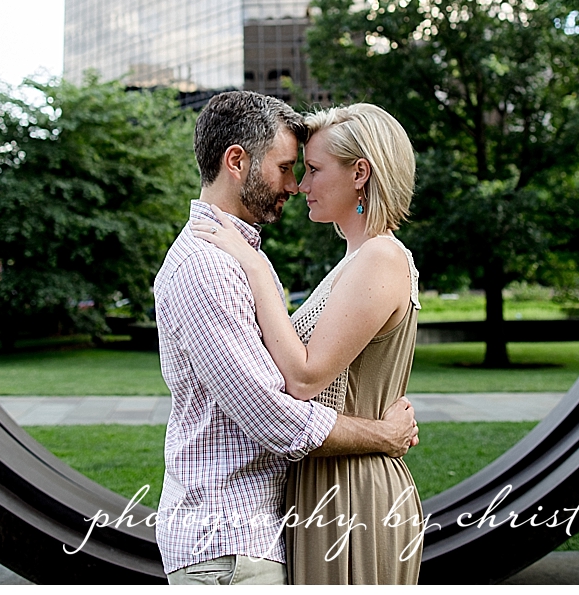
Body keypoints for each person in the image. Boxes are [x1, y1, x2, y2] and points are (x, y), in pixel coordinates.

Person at [154, 91, 418, 585]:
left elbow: (300, 375)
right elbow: (278, 406)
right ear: (237, 161)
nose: (297, 185)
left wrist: (254, 264)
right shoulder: (209, 263)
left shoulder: (373, 258)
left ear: (359, 174)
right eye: (290, 167)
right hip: (234, 536)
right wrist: (383, 434)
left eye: (311, 169)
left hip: (334, 496)